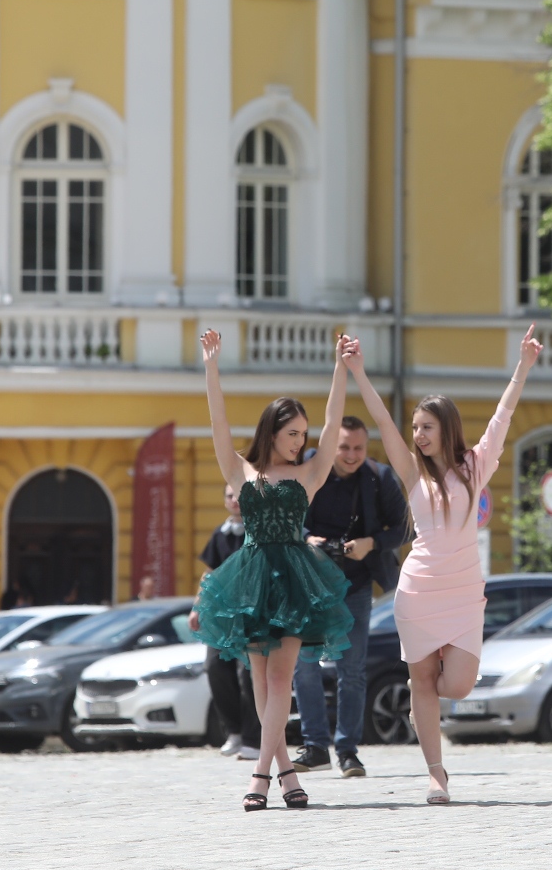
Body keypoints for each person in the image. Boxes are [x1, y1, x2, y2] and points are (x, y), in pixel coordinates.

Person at [342, 325, 542, 805]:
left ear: (446, 428)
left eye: (426, 427)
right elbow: (382, 423)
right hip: (418, 591)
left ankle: (424, 712)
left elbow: (503, 416)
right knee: (422, 681)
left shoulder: (476, 466)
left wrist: (523, 366)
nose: (417, 434)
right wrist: (358, 372)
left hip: (463, 593)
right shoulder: (410, 471)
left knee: (458, 683)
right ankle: (436, 774)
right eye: (415, 428)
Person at [193, 329, 355, 812]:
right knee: (262, 686)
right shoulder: (241, 470)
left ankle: (260, 775)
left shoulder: (309, 472)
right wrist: (212, 366)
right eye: (292, 434)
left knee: (280, 681)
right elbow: (218, 422)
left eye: (303, 435)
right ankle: (288, 774)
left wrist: (340, 367)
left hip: (294, 581)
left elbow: (331, 421)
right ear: (271, 432)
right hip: (251, 579)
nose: (301, 441)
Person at [291, 415, 410, 778]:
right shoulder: (307, 467)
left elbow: (405, 527)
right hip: (310, 583)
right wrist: (306, 537)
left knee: (352, 670)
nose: (351, 454)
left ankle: (347, 751)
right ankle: (314, 746)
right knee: (305, 664)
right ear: (330, 445)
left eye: (358, 448)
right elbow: (283, 514)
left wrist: (370, 544)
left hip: (356, 584)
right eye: (343, 447)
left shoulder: (379, 477)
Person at [189, 485, 262, 762]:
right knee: (214, 667)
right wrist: (197, 606)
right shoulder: (220, 534)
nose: (235, 501)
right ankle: (234, 731)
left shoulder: (259, 531)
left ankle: (254, 739)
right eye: (230, 496)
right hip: (222, 614)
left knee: (249, 675)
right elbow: (209, 574)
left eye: (240, 496)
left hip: (252, 613)